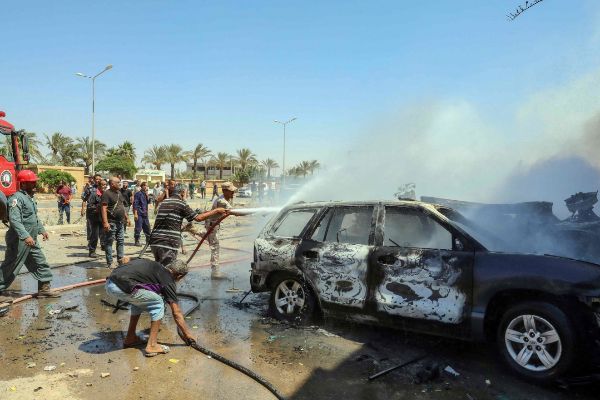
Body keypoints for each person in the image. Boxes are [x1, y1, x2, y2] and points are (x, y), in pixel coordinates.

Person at [105, 257, 195, 356]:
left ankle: (130, 338)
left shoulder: (154, 265)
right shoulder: (168, 280)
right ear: (179, 276)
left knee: (139, 302)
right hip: (123, 287)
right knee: (158, 303)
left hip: (110, 283)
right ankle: (152, 345)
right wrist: (188, 335)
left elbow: (125, 259)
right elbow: (176, 312)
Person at [0, 170, 61, 303]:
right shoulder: (16, 198)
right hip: (19, 240)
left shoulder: (29, 198)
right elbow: (15, 220)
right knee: (11, 266)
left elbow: (33, 218)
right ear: (23, 184)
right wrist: (25, 236)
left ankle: (44, 289)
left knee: (40, 261)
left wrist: (42, 230)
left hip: (30, 239)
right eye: (31, 182)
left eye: (34, 181)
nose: (35, 184)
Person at [148, 183, 227, 267]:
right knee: (168, 270)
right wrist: (216, 211)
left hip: (155, 241)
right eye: (187, 192)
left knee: (159, 269)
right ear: (182, 192)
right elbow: (198, 218)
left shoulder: (165, 202)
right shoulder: (181, 204)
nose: (188, 194)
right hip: (167, 243)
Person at [204, 181, 245, 279]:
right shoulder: (222, 201)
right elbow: (235, 212)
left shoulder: (227, 198)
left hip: (213, 224)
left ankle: (192, 229)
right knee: (215, 247)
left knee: (210, 239)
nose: (233, 193)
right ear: (224, 191)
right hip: (212, 225)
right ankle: (215, 273)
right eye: (231, 191)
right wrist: (252, 212)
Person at [101, 177, 130, 268]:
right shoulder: (107, 194)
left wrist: (127, 217)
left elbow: (121, 205)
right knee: (109, 242)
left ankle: (120, 260)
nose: (120, 184)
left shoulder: (119, 193)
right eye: (118, 182)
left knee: (120, 241)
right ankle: (110, 262)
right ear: (112, 184)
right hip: (111, 222)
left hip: (120, 222)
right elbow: (103, 208)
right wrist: (105, 222)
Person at [84, 179, 106, 257]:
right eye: (103, 185)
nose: (104, 186)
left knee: (103, 234)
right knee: (95, 235)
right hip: (94, 218)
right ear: (99, 186)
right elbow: (89, 205)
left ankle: (104, 247)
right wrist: (98, 207)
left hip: (103, 217)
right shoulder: (94, 194)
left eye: (105, 185)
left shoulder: (105, 194)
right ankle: (92, 251)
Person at [82, 174, 103, 246]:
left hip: (101, 212)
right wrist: (83, 209)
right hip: (91, 211)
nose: (98, 180)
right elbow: (84, 199)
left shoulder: (104, 189)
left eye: (99, 179)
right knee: (90, 226)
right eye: (97, 179)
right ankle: (90, 242)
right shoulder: (90, 189)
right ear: (94, 180)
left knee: (101, 227)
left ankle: (102, 243)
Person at [133, 181, 151, 246]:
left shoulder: (145, 194)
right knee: (138, 228)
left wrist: (147, 195)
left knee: (147, 227)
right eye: (145, 186)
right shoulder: (138, 194)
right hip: (139, 213)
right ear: (142, 186)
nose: (146, 187)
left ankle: (148, 241)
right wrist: (135, 214)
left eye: (147, 186)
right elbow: (135, 204)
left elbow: (148, 202)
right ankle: (137, 241)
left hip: (145, 214)